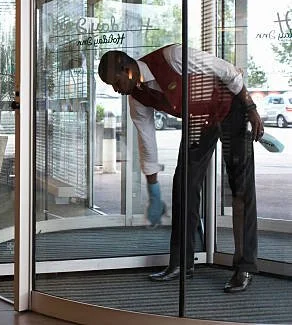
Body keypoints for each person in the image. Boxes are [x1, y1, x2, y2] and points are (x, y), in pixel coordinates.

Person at [97, 44, 262, 293]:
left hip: (232, 110)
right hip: (198, 120)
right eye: (111, 86)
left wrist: (251, 108)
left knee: (240, 189)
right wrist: (153, 191)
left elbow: (227, 71)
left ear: (127, 69)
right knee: (183, 186)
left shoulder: (172, 56)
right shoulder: (137, 98)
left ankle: (244, 266)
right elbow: (147, 141)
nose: (115, 89)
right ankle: (181, 264)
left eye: (115, 82)